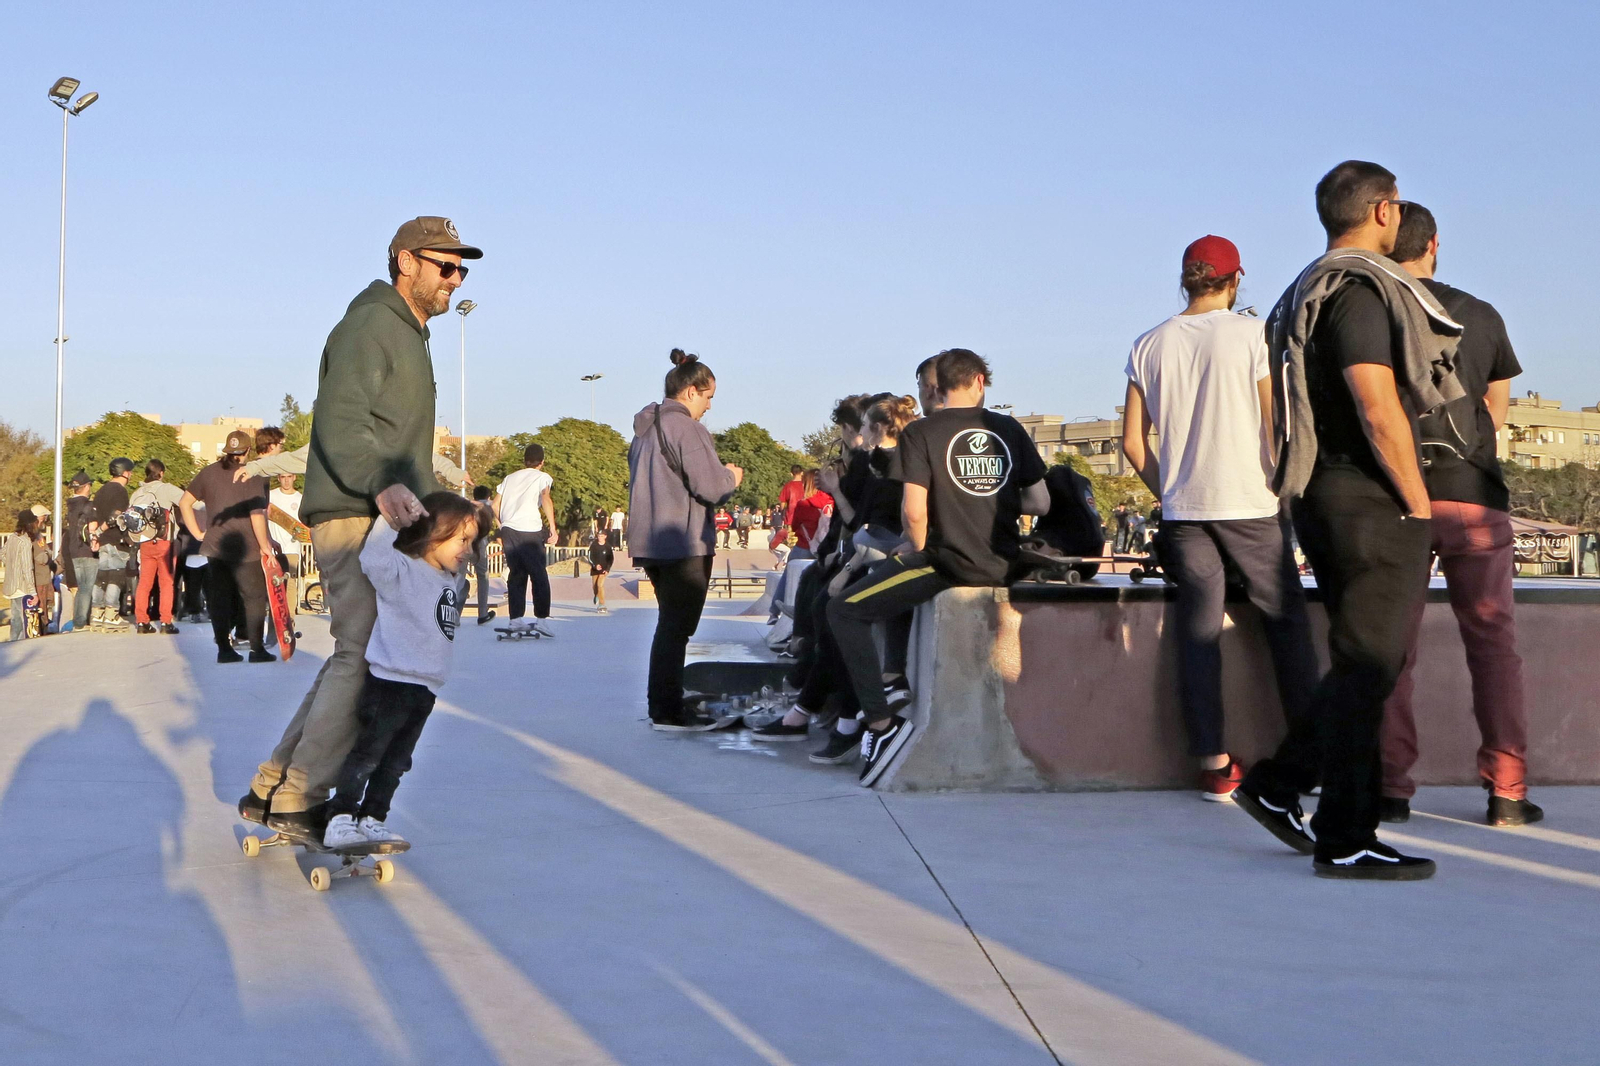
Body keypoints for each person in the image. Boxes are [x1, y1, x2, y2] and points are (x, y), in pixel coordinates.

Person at [1234, 160, 1461, 881]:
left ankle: (1318, 811)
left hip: (1321, 495)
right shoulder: (1360, 290)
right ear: (1386, 210)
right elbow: (1375, 402)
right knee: (1370, 666)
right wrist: (1416, 501)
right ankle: (1326, 823)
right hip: (1368, 499)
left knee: (1363, 666)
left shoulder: (1301, 291)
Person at [241, 216, 482, 843]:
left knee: (356, 652)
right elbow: (342, 421)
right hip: (356, 511)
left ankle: (274, 785)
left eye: (462, 269)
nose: (455, 278)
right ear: (406, 261)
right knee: (369, 656)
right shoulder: (372, 325)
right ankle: (301, 796)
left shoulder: (407, 333)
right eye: (445, 265)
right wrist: (381, 478)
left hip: (380, 511)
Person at [1121, 234, 1319, 802]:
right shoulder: (1254, 334)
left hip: (1185, 513)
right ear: (1235, 280)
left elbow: (1134, 443)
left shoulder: (1147, 344)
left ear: (1186, 279)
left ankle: (1213, 763)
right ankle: (1309, 759)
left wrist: (1175, 490)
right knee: (1287, 628)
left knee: (1198, 632)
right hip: (1251, 505)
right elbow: (1274, 424)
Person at [1377, 204, 1540, 828]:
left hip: (1398, 497)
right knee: (1494, 646)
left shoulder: (1375, 310)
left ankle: (1391, 789)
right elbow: (1495, 413)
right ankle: (1507, 792)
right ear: (1435, 245)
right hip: (1473, 497)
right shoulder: (1481, 314)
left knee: (1395, 650)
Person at [828, 349, 1048, 786]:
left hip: (948, 564)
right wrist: (991, 500)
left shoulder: (923, 433)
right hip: (1004, 563)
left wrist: (917, 547)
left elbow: (914, 512)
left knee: (844, 610)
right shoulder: (1008, 429)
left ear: (936, 388)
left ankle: (879, 725)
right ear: (981, 381)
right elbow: (1040, 501)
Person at [321, 492, 478, 849]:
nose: (468, 549)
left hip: (426, 688)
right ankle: (340, 816)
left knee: (397, 762)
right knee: (368, 755)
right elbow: (373, 556)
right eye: (462, 539)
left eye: (471, 541)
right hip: (391, 683)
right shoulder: (402, 570)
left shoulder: (449, 579)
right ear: (433, 534)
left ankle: (372, 818)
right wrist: (391, 519)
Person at [627, 349, 743, 730]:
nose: (709, 406)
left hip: (652, 541)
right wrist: (731, 478)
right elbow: (710, 487)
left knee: (670, 625)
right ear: (692, 391)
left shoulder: (644, 429)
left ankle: (667, 699)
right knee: (676, 628)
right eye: (708, 396)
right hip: (684, 541)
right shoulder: (688, 429)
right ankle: (667, 709)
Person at [180, 430, 275, 662]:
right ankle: (256, 649)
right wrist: (266, 546)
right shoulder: (253, 474)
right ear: (248, 451)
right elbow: (257, 515)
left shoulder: (208, 472)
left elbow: (185, 502)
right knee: (253, 597)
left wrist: (197, 532)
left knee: (220, 598)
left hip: (215, 546)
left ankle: (224, 650)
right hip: (247, 548)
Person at [495, 444, 558, 636]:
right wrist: (553, 528)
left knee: (516, 574)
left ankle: (515, 620)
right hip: (530, 530)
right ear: (542, 462)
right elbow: (545, 498)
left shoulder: (509, 478)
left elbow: (494, 504)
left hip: (509, 530)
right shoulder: (542, 477)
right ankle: (541, 619)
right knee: (539, 575)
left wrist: (501, 525)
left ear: (524, 460)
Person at [129, 460, 184, 634]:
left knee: (144, 583)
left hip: (144, 541)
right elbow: (190, 502)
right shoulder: (167, 489)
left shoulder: (137, 493)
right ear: (160, 473)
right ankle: (166, 622)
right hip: (164, 541)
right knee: (166, 583)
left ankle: (141, 622)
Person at [89, 457, 135, 630]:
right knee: (115, 576)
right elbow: (115, 517)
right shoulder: (120, 491)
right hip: (116, 539)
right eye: (129, 472)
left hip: (102, 542)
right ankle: (111, 614)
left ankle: (97, 613)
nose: (130, 475)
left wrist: (95, 536)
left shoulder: (100, 491)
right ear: (124, 472)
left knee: (102, 577)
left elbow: (92, 517)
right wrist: (103, 530)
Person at [58, 471, 96, 633]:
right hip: (86, 549)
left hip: (73, 549)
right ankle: (81, 621)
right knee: (87, 586)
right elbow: (93, 528)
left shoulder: (71, 506)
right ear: (86, 486)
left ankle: (77, 620)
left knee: (81, 586)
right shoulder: (88, 505)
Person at [268, 471, 304, 621]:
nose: (287, 481)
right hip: (272, 550)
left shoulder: (300, 498)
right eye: (283, 477)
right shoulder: (271, 496)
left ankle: (289, 622)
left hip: (292, 550)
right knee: (274, 588)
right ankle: (274, 625)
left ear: (294, 477)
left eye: (289, 477)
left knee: (289, 586)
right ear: (279, 478)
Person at [4, 511, 37, 641]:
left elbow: (2, 554)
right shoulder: (25, 542)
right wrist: (33, 592)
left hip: (10, 584)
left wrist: (12, 566)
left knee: (15, 617)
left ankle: (12, 642)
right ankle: (19, 643)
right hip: (21, 586)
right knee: (23, 620)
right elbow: (27, 568)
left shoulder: (12, 537)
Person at [468, 485, 497, 625]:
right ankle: (483, 613)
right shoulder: (490, 505)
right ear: (488, 496)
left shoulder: (467, 505)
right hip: (480, 543)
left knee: (459, 578)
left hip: (464, 541)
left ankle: (454, 615)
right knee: (483, 577)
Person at [769, 465, 805, 561]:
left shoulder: (788, 486)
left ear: (791, 473)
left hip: (791, 518)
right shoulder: (806, 485)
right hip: (805, 517)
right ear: (802, 473)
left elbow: (782, 504)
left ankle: (792, 561)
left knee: (792, 542)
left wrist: (783, 513)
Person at [589, 529, 615, 613]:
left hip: (604, 570)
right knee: (595, 586)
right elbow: (590, 557)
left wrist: (607, 569)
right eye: (599, 536)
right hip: (594, 569)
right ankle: (596, 595)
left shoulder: (608, 547)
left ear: (605, 537)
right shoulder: (594, 545)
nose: (600, 537)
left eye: (602, 536)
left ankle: (602, 604)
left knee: (600, 585)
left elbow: (611, 559)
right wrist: (595, 565)